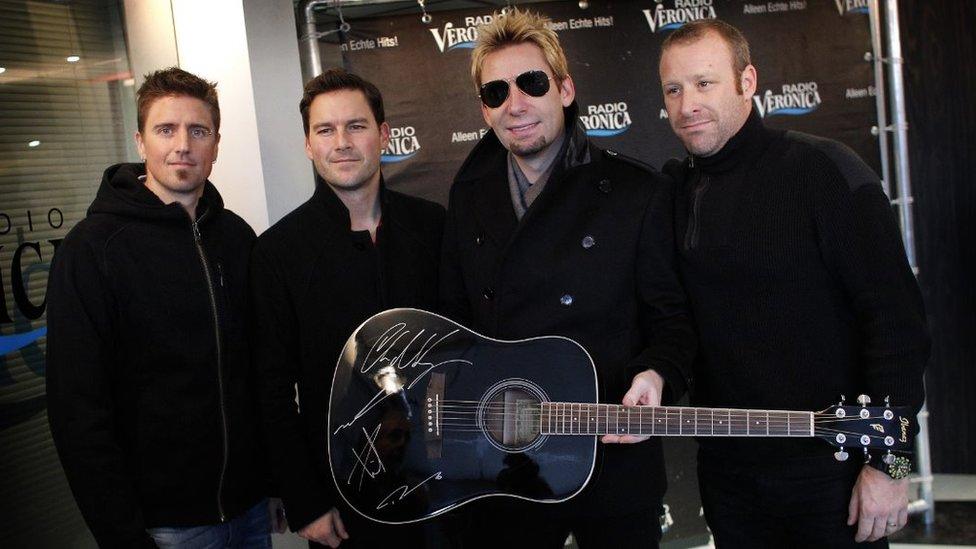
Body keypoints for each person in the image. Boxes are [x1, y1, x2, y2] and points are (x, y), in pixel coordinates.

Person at [657, 19, 930, 548]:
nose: (687, 102)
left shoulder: (825, 171)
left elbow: (898, 327)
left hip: (836, 473)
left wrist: (891, 466)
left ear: (748, 81)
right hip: (731, 476)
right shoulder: (675, 192)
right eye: (674, 88)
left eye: (705, 83)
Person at [439, 9, 696, 548]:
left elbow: (672, 322)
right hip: (507, 464)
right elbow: (453, 323)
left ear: (565, 88)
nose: (516, 104)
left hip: (612, 456)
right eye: (495, 92)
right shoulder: (467, 197)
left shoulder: (635, 193)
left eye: (531, 83)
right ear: (484, 111)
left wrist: (654, 377)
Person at [46, 67, 275, 548]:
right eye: (165, 129)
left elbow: (260, 375)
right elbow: (77, 409)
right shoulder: (92, 250)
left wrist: (273, 483)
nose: (182, 145)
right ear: (140, 140)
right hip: (163, 527)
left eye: (198, 130)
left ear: (216, 143)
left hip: (250, 510)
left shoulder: (237, 239)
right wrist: (121, 534)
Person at [249, 69, 446, 548]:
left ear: (382, 134)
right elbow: (270, 392)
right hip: (340, 499)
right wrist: (304, 500)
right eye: (325, 130)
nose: (342, 142)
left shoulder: (436, 228)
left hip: (442, 489)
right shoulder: (277, 253)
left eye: (356, 126)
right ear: (308, 144)